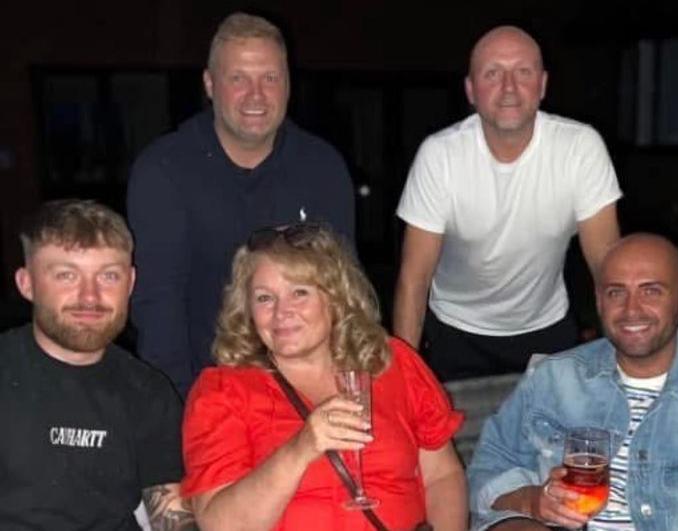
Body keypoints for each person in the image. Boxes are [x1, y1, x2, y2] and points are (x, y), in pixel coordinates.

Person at [468, 233, 678, 530]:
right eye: (616, 292)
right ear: (599, 301)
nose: (631, 309)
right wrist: (534, 501)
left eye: (651, 291)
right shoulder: (555, 379)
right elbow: (487, 469)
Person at [180, 221, 467, 530]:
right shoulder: (223, 391)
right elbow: (221, 525)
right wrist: (301, 448)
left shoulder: (392, 362)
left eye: (299, 293)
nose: (281, 312)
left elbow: (442, 476)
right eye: (264, 298)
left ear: (335, 297)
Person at [127, 12, 354, 397]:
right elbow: (158, 306)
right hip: (205, 389)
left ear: (287, 86)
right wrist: (181, 411)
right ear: (210, 84)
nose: (256, 95)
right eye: (239, 79)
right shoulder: (163, 170)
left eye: (270, 78)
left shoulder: (322, 167)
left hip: (306, 393)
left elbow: (345, 292)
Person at [394, 25, 622, 381]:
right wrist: (403, 376)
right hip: (455, 331)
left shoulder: (580, 147)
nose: (509, 88)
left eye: (523, 72)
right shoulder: (439, 155)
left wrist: (621, 359)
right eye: (492, 74)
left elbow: (607, 268)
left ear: (543, 85)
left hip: (547, 327)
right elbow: (414, 277)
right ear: (471, 90)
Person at [0, 199, 193, 530]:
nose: (90, 297)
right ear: (26, 283)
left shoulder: (149, 392)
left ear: (130, 283)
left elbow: (171, 517)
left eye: (108, 276)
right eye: (66, 275)